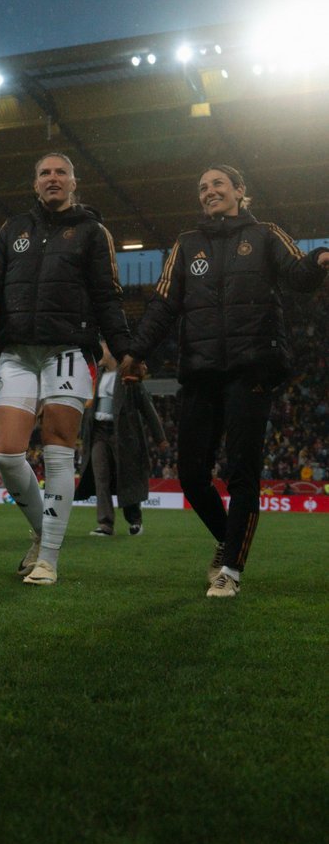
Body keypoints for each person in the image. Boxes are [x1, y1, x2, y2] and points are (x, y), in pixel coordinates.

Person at [121, 164, 329, 597]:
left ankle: (231, 570)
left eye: (217, 184)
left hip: (252, 366)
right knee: (192, 474)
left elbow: (299, 277)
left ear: (239, 191)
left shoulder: (266, 234)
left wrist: (319, 259)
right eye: (202, 187)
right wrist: (135, 352)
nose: (209, 191)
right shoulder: (185, 244)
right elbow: (162, 305)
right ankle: (227, 540)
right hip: (201, 370)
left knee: (241, 472)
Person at [0, 152, 130, 586]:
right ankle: (43, 530)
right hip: (17, 351)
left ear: (74, 182)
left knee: (57, 448)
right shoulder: (13, 229)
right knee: (6, 453)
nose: (52, 179)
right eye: (44, 173)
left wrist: (127, 349)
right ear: (35, 184)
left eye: (60, 172)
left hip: (69, 349)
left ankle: (48, 558)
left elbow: (108, 295)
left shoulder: (93, 232)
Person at [76, 343, 168, 536]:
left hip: (123, 435)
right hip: (99, 433)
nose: (99, 354)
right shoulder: (95, 376)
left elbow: (147, 408)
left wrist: (161, 439)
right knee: (100, 478)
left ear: (111, 352)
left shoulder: (128, 375)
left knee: (127, 477)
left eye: (102, 349)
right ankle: (105, 524)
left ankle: (135, 520)